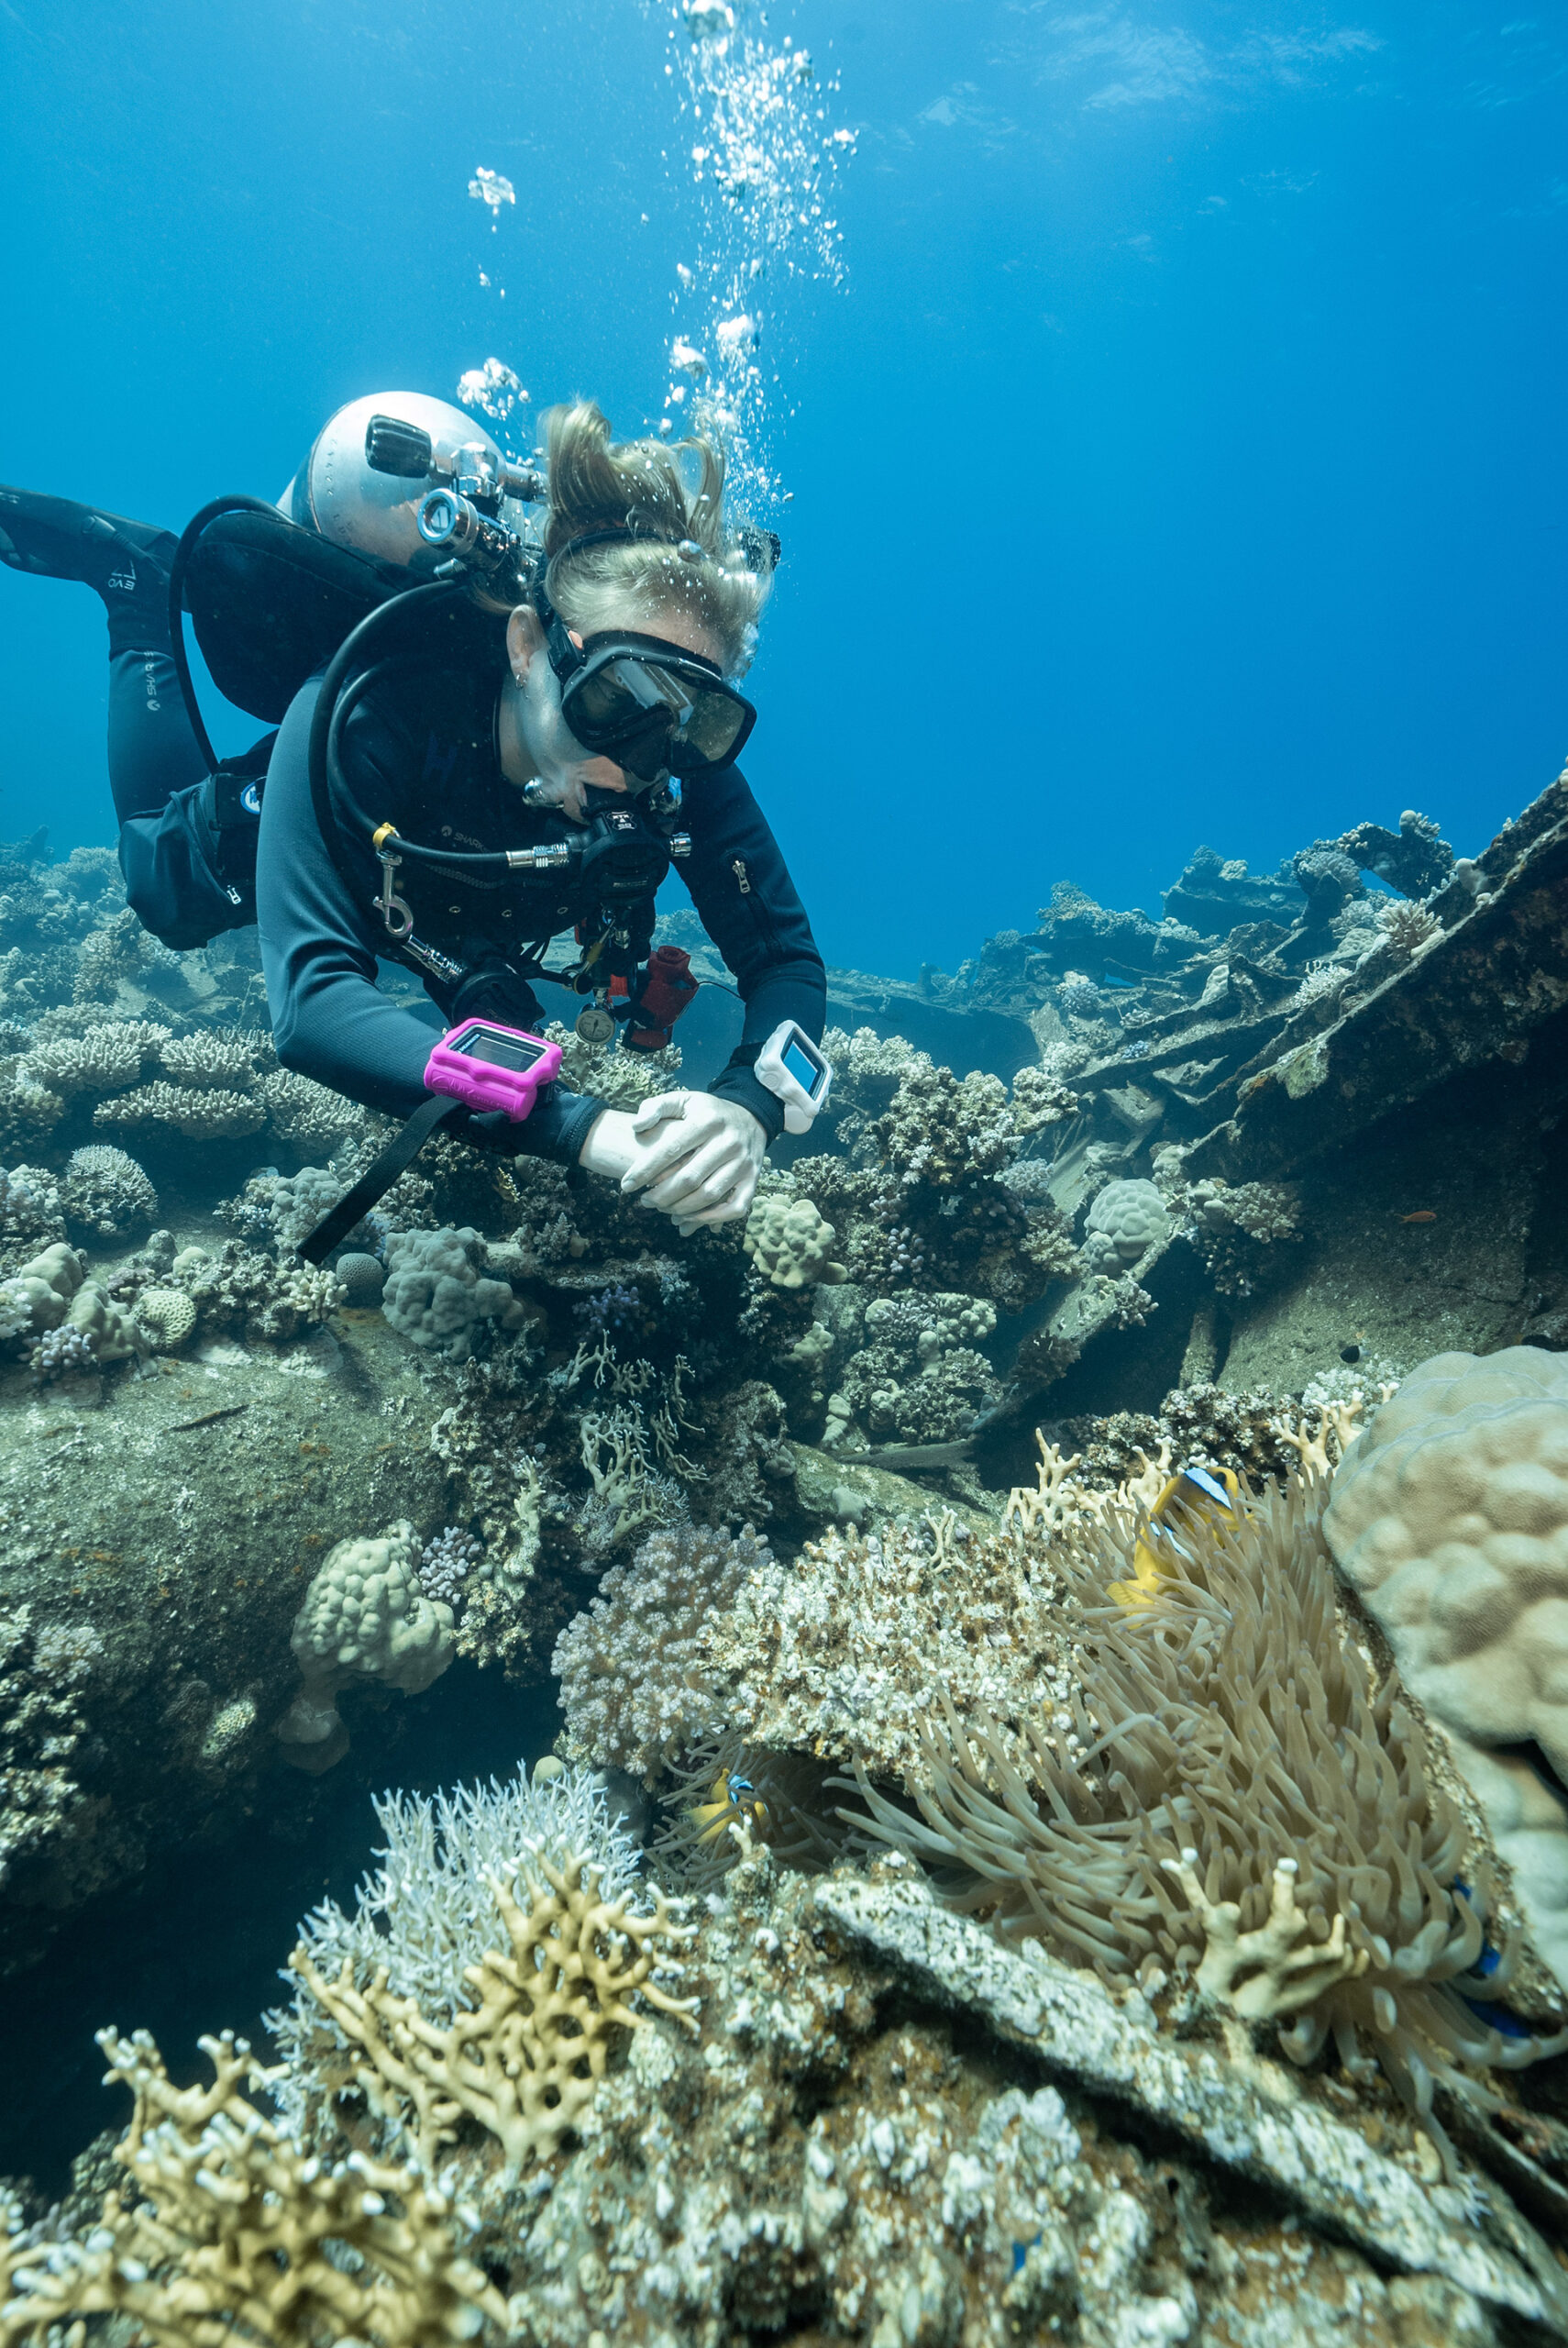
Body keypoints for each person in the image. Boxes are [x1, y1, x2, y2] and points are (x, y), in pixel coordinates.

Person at [0, 394, 827, 1235]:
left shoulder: (673, 758)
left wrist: (749, 1105)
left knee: (497, 999)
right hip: (377, 833)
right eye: (616, 696)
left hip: (460, 920)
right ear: (528, 646)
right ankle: (136, 585)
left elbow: (785, 962)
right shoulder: (364, 713)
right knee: (163, 890)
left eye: (694, 718)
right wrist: (584, 1129)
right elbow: (316, 1005)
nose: (639, 759)